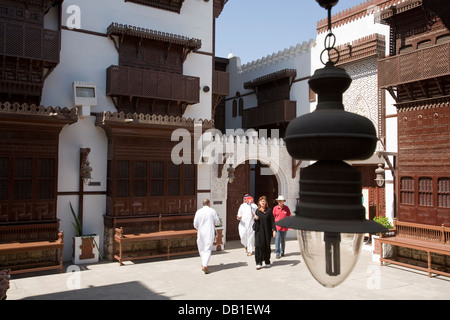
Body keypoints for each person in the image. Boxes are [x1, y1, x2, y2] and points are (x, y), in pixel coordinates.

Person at [193, 199, 220, 274]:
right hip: (209, 232)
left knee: (201, 248)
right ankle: (205, 265)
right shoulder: (212, 211)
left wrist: (199, 227)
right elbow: (217, 222)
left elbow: (195, 224)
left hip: (201, 232)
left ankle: (203, 263)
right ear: (209, 204)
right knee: (207, 249)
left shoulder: (198, 212)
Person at [253, 196, 276, 270]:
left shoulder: (269, 210)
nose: (263, 202)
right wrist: (256, 219)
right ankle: (258, 262)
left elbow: (272, 221)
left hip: (267, 231)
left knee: (266, 246)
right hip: (259, 232)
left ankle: (267, 261)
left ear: (266, 202)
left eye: (264, 201)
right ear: (259, 202)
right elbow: (255, 221)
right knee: (258, 246)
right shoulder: (257, 211)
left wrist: (274, 230)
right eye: (261, 201)